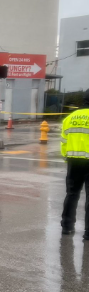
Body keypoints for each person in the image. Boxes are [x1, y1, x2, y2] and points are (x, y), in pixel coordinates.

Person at [60, 88, 89, 239]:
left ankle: (67, 226)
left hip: (73, 161)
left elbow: (63, 141)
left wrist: (67, 157)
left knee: (72, 194)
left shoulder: (70, 118)